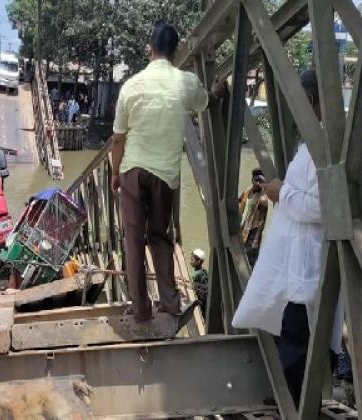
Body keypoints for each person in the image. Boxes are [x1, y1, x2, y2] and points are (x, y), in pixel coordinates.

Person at [232, 69, 344, 408]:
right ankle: (288, 401)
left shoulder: (323, 145)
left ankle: (292, 406)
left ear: (309, 100)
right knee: (291, 335)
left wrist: (283, 193)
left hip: (305, 268)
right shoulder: (313, 144)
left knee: (296, 340)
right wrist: (282, 188)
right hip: (295, 265)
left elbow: (324, 207)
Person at [110, 22, 223, 323]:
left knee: (133, 241)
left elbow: (118, 139)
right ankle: (171, 303)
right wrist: (216, 93)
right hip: (164, 176)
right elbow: (206, 103)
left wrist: (115, 173)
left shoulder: (131, 86)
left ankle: (141, 309)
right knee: (160, 237)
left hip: (132, 170)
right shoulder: (186, 83)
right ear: (174, 52)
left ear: (149, 49)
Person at [238, 168, 269, 268]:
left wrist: (256, 239)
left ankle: (249, 280)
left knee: (250, 260)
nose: (258, 183)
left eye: (260, 181)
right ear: (252, 179)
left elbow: (262, 221)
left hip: (253, 232)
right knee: (240, 256)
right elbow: (238, 200)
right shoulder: (247, 191)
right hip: (243, 228)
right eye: (256, 180)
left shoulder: (263, 199)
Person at [190, 249, 209, 319]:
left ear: (198, 261)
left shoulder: (195, 275)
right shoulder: (204, 271)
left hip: (200, 300)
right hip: (205, 299)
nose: (190, 261)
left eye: (192, 260)